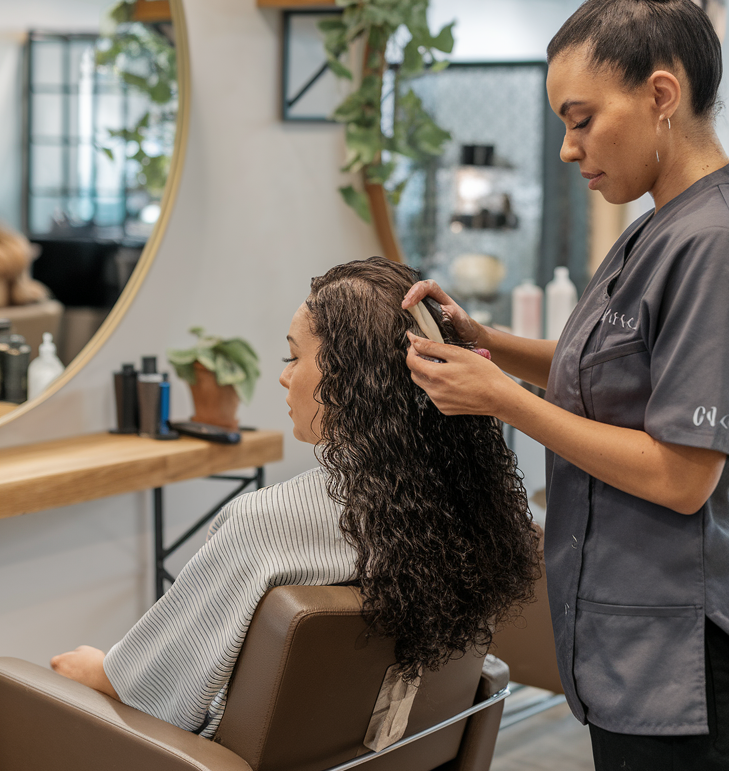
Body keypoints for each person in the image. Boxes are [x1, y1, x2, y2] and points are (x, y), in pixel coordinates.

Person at [403, 0, 729, 771]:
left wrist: (503, 401)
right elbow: (613, 375)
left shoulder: (712, 242)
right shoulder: (658, 227)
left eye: (580, 118)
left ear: (661, 93)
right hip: (633, 638)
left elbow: (682, 473)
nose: (567, 148)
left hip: (682, 660)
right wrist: (497, 344)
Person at [51, 256, 538, 737]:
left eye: (293, 358)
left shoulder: (264, 524)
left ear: (351, 376)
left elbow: (153, 693)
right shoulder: (468, 504)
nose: (284, 377)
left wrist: (98, 670)